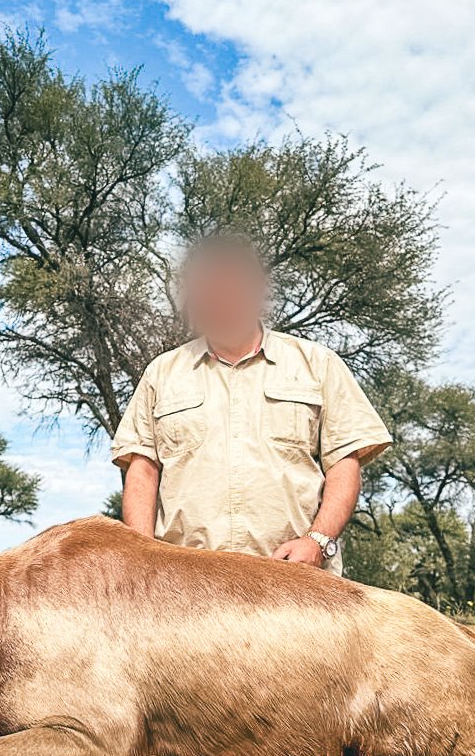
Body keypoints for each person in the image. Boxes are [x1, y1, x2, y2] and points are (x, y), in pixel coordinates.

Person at [110, 233, 392, 574]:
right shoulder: (162, 373)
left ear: (259, 290)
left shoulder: (318, 365)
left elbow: (344, 464)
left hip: (293, 578)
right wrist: (144, 556)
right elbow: (143, 469)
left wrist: (317, 541)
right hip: (185, 584)